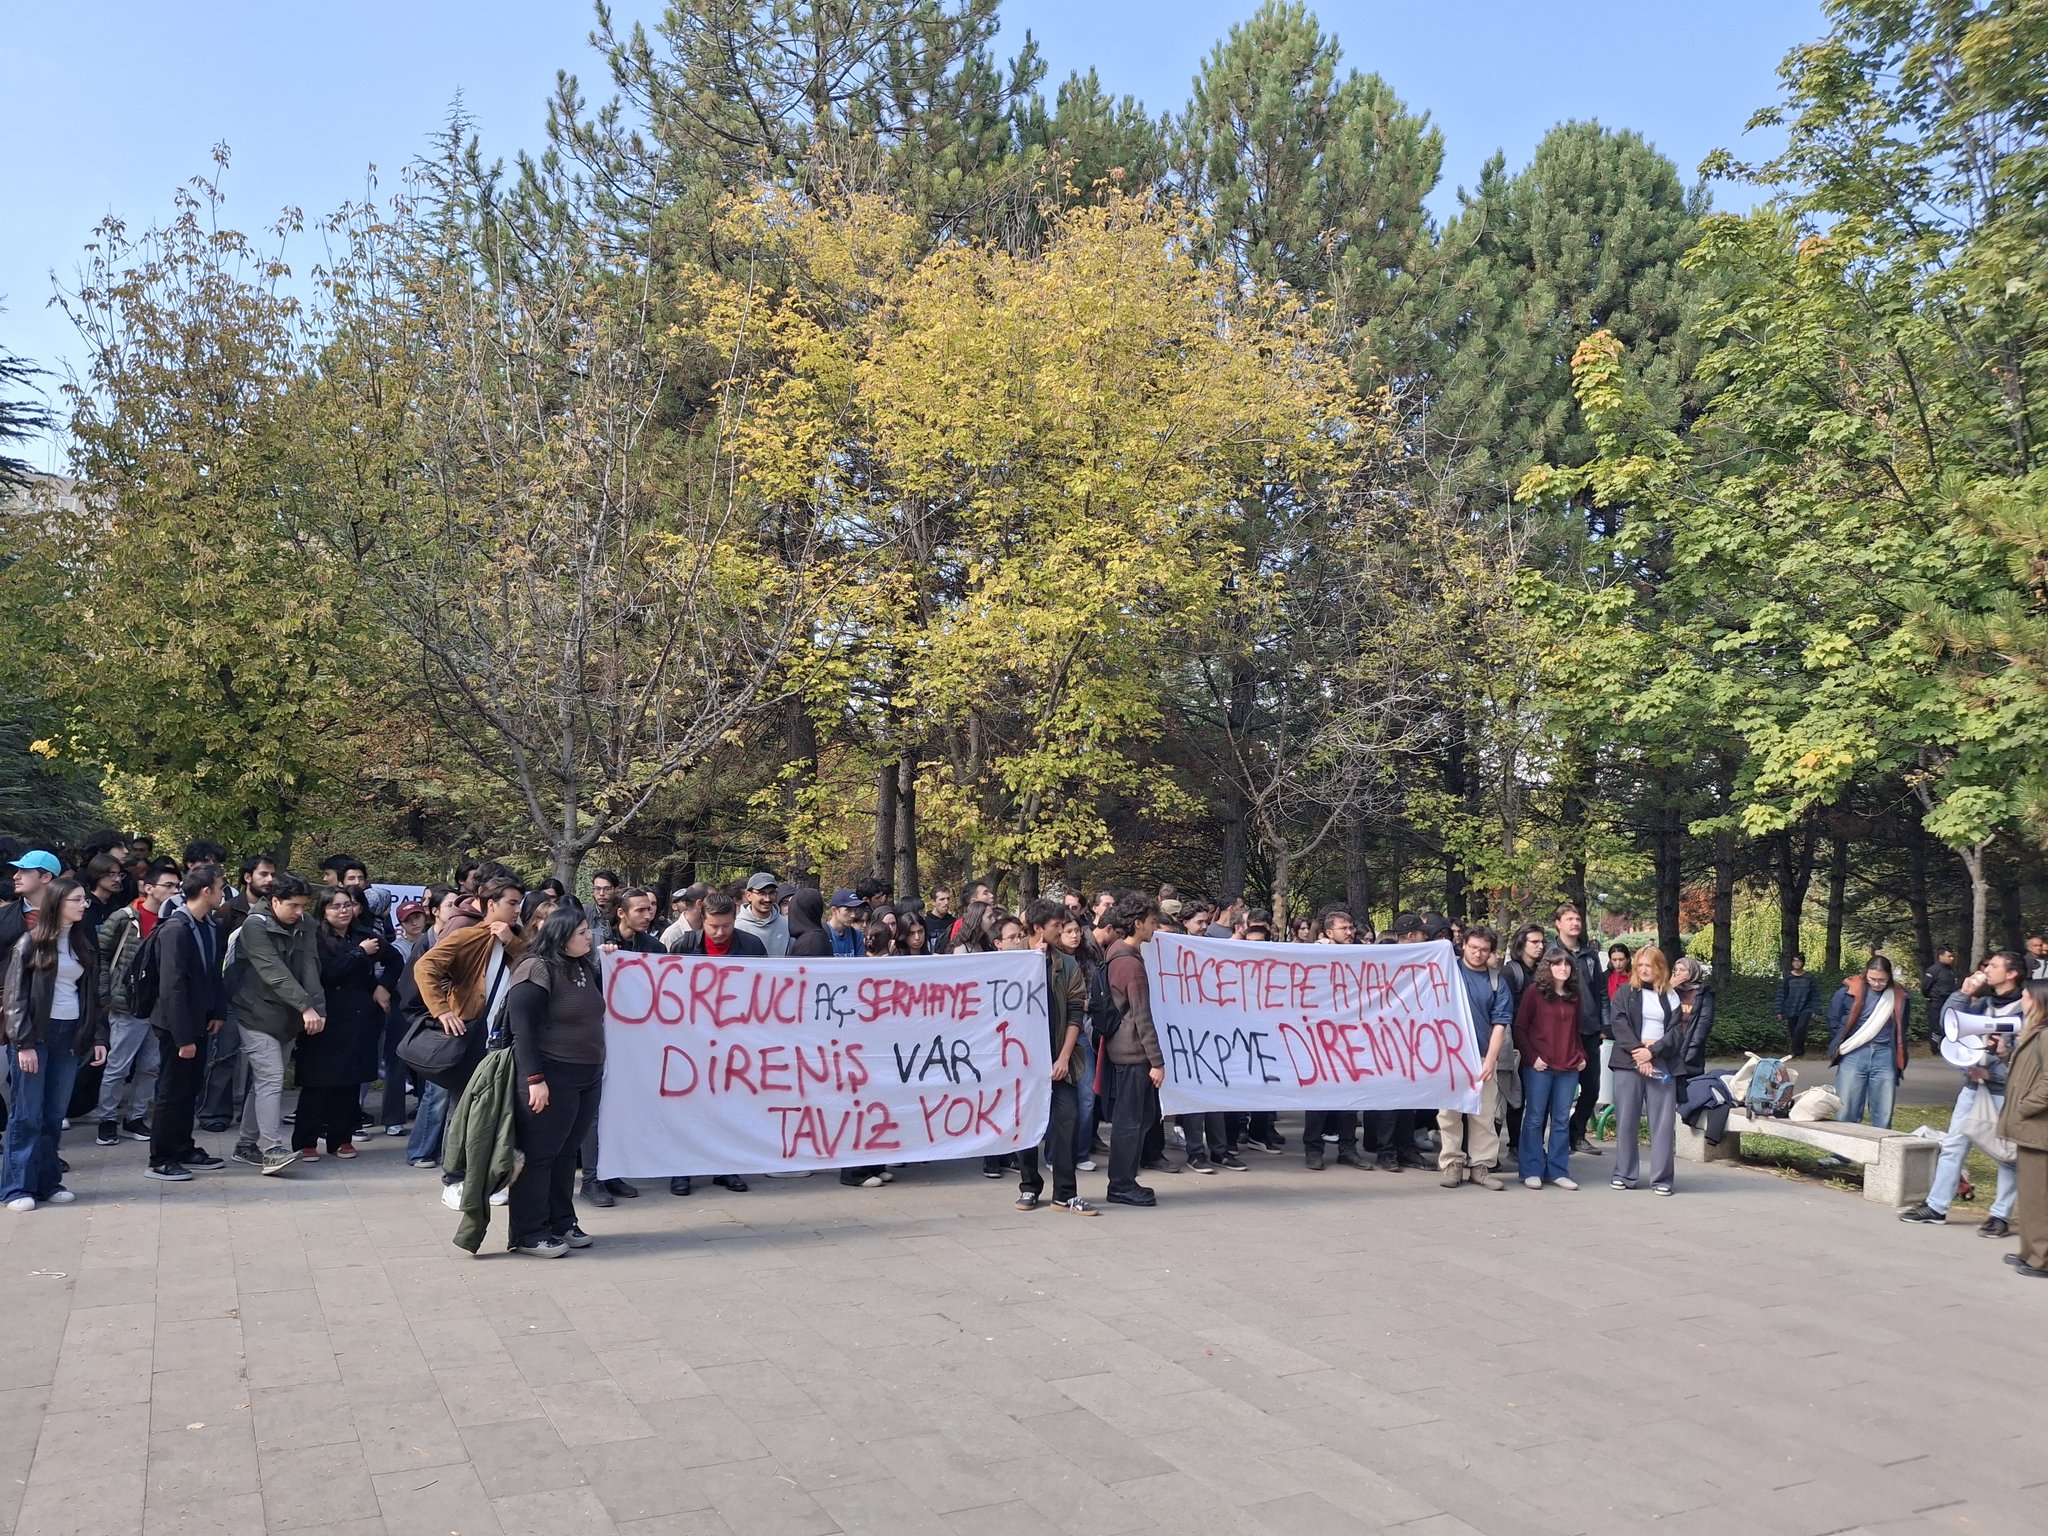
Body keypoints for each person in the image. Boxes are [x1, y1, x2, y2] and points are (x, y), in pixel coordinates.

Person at [413, 876, 527, 1207]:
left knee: (501, 1111)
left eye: (519, 903)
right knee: (461, 1109)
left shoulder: (516, 939)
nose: (517, 909)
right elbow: (425, 967)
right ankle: (453, 1180)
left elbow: (532, 966)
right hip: (470, 1035)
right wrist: (442, 1011)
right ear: (492, 905)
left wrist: (509, 942)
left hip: (505, 1038)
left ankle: (493, 1177)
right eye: (512, 903)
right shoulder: (467, 936)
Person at [503, 907, 606, 1257]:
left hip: (586, 1074)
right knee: (540, 1155)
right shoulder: (536, 968)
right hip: (550, 1074)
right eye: (581, 932)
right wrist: (535, 1079)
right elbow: (523, 1030)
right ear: (560, 936)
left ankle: (562, 1220)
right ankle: (529, 1232)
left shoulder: (583, 966)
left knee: (565, 1154)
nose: (588, 936)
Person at [2, 879, 111, 1208]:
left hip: (69, 1036)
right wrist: (22, 1043)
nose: (83, 905)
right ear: (57, 903)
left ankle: (48, 1181)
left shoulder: (82, 943)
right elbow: (16, 997)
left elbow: (94, 996)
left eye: (84, 900)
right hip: (35, 1037)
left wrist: (98, 1037)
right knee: (26, 1115)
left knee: (53, 1115)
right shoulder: (30, 943)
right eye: (76, 900)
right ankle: (16, 1187)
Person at [1900, 950, 2024, 1235]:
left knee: (2006, 1155)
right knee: (1954, 1145)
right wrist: (1962, 993)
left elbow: (2030, 1058)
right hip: (1972, 1087)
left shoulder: (2026, 1008)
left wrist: (1996, 1070)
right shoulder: (1982, 1003)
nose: (1986, 969)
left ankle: (2000, 1216)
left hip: (2005, 1092)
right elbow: (1951, 1025)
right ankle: (1936, 1206)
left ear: (2012, 973)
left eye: (1993, 965)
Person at [661, 893, 755, 1198]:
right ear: (703, 919)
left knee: (729, 1104)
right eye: (714, 926)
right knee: (688, 1104)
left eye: (726, 926)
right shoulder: (685, 946)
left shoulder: (751, 947)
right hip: (691, 1038)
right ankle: (682, 1169)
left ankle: (726, 1166)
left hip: (735, 1039)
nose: (720, 932)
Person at [232, 873, 325, 1173]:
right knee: (272, 1079)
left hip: (288, 1017)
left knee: (265, 1082)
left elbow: (310, 966)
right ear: (274, 901)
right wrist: (306, 1007)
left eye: (303, 906)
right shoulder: (254, 926)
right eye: (294, 906)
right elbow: (273, 971)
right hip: (255, 1013)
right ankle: (271, 1149)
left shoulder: (306, 924)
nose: (300, 912)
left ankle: (246, 1145)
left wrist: (317, 1009)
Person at [297, 889, 390, 1161]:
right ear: (323, 911)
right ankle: (306, 1141)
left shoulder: (365, 935)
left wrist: (382, 986)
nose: (343, 911)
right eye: (335, 906)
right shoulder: (314, 938)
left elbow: (395, 961)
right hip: (324, 1016)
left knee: (349, 1081)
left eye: (347, 905)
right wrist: (359, 955)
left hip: (358, 1016)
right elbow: (328, 971)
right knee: (317, 1082)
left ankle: (342, 1138)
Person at [91, 859, 179, 1145]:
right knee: (118, 1064)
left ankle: (136, 1117)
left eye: (177, 886)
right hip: (128, 1002)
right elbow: (101, 955)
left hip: (159, 1004)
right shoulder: (125, 917)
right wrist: (106, 994)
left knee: (151, 1065)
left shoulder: (174, 919)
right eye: (168, 885)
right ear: (149, 887)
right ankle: (107, 1119)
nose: (174, 891)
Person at [1103, 897, 1166, 1207]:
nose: (1155, 928)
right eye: (1153, 922)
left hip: (1124, 1050)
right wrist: (1157, 1061)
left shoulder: (1116, 952)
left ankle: (1124, 1180)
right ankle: (1121, 1184)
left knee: (1142, 1117)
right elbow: (1142, 1017)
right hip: (1132, 1054)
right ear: (1139, 923)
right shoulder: (1130, 963)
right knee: (1131, 1121)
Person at [1439, 927, 1511, 1191]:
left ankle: (1481, 1165)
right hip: (1449, 1055)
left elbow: (1500, 1023)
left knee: (1484, 1112)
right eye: (1473, 948)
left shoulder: (1496, 981)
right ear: (1463, 946)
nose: (1478, 953)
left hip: (1481, 1054)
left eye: (1483, 949)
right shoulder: (1447, 972)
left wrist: (1491, 1059)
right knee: (1449, 1113)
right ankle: (1452, 1162)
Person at [1609, 946, 1683, 1195]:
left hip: (1661, 1061)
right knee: (1626, 1120)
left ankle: (1662, 1179)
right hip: (1628, 1062)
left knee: (1662, 1123)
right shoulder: (1624, 992)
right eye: (1639, 965)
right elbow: (1618, 1023)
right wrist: (1640, 1053)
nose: (1643, 970)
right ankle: (1625, 1174)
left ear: (1660, 968)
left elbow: (1676, 1033)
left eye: (1648, 966)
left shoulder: (1671, 996)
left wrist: (1653, 1052)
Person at [1514, 948, 1587, 1190]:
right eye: (1557, 964)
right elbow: (1520, 1028)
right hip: (1540, 1067)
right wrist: (1531, 1057)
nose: (1563, 968)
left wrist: (1581, 1055)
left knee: (1561, 1120)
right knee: (1534, 1118)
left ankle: (1558, 1170)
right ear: (1548, 967)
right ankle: (1531, 1169)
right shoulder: (1534, 993)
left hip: (1568, 1067)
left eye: (1567, 965)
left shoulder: (1573, 995)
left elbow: (1576, 1031)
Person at [1997, 980, 2048, 1277]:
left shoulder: (2045, 1035)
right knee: (2029, 1195)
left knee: (2039, 1197)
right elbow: (2025, 1073)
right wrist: (2004, 1053)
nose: (2023, 999)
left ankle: (2041, 1259)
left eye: (2027, 995)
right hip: (2030, 1129)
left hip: (2038, 1128)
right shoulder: (2036, 1033)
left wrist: (2024, 1107)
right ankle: (2029, 1252)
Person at [1828, 955, 1912, 1129]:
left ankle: (1879, 1155)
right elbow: (1834, 1018)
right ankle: (1840, 1155)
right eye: (1872, 979)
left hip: (1885, 1055)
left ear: (1889, 976)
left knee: (1883, 1111)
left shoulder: (1899, 996)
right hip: (1853, 1053)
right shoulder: (1849, 990)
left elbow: (1902, 1026)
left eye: (1882, 980)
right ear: (1865, 973)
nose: (1877, 984)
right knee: (1846, 1108)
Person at [1552, 905, 1609, 1157]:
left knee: (1592, 1088)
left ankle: (1577, 1134)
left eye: (1577, 918)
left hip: (1588, 1031)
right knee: (1560, 1090)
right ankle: (1556, 1138)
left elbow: (1602, 992)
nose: (1575, 922)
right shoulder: (1551, 953)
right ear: (1558, 923)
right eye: (1569, 919)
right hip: (1561, 1034)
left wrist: (1604, 1025)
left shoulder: (1590, 954)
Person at [0, 850, 59, 961]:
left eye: (25, 871)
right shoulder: (3, 916)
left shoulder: (69, 916)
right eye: (17, 870)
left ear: (46, 877)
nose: (16, 876)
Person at [1670, 956, 1716, 1082]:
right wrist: (1668, 989)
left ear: (1693, 972)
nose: (1677, 973)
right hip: (1669, 1045)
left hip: (1690, 1048)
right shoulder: (1670, 991)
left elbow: (1703, 1025)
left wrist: (1691, 1052)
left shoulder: (1702, 994)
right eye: (1676, 970)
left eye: (1682, 970)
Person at [1776, 952, 1821, 1059]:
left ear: (1803, 963)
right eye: (1795, 961)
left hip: (1805, 1008)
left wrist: (1816, 1010)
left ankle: (1795, 1052)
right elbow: (1781, 994)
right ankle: (1799, 1052)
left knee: (1800, 1029)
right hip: (1791, 1008)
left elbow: (1815, 995)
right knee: (1793, 1031)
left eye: (1799, 961)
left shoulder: (1809, 977)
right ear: (1792, 962)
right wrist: (1779, 1010)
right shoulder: (1788, 978)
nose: (1797, 963)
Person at [734, 873, 790, 957]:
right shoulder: (737, 927)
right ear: (749, 896)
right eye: (762, 893)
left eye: (771, 893)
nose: (767, 899)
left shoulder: (786, 925)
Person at [1920, 946, 1959, 1055]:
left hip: (1948, 1002)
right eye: (1949, 956)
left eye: (1952, 956)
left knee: (1947, 1025)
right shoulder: (1933, 970)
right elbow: (1925, 986)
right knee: (1936, 1026)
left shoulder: (1951, 970)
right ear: (1941, 956)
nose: (1951, 958)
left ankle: (1945, 1047)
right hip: (1936, 1002)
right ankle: (1935, 1049)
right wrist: (1929, 997)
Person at [660, 883, 709, 951]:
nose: (717, 905)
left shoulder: (714, 931)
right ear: (699, 904)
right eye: (711, 900)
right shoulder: (671, 935)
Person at [826, 890, 868, 957]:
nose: (853, 915)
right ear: (834, 910)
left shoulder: (857, 935)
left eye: (855, 910)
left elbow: (860, 965)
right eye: (848, 910)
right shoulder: (822, 935)